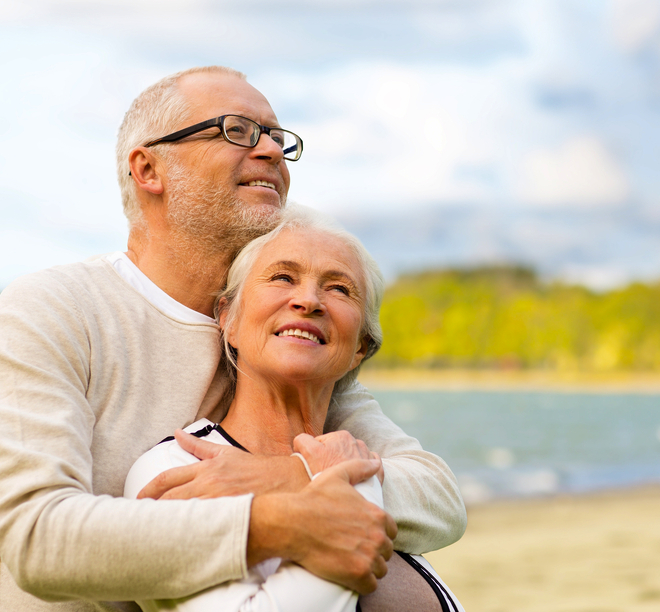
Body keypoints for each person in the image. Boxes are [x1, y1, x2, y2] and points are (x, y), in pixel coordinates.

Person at [0, 66, 465, 612]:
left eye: (276, 137)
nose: (270, 149)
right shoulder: (52, 311)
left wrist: (286, 476)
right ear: (148, 168)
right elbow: (36, 539)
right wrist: (275, 522)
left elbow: (437, 496)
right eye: (236, 130)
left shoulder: (278, 341)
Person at [124, 206, 463, 612]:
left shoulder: (357, 457)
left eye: (339, 288)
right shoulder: (178, 465)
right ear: (228, 318)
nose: (308, 300)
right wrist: (346, 484)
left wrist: (312, 475)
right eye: (283, 277)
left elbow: (445, 506)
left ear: (360, 348)